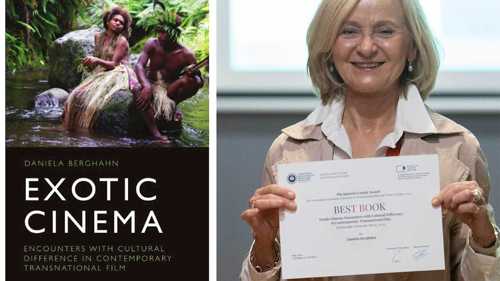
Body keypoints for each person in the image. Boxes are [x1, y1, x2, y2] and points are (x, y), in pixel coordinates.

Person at [240, 0, 499, 280]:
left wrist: (483, 237)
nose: (366, 47)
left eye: (385, 32)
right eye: (349, 31)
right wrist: (265, 247)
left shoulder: (457, 148)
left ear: (412, 46)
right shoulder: (288, 151)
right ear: (329, 47)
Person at [63, 6, 139, 130]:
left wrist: (97, 60)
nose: (118, 23)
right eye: (115, 20)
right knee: (75, 95)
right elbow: (98, 57)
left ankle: (87, 125)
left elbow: (114, 64)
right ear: (108, 21)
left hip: (118, 71)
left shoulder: (122, 41)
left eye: (121, 23)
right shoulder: (98, 36)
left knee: (95, 98)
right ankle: (68, 125)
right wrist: (89, 63)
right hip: (102, 70)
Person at [134, 16, 204, 141]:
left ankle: (174, 105)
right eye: (158, 31)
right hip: (150, 82)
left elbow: (200, 81)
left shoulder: (186, 54)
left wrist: (192, 74)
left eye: (163, 32)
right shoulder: (152, 43)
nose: (159, 35)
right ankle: (155, 133)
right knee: (137, 88)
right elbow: (139, 65)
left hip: (169, 88)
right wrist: (146, 85)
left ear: (174, 34)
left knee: (189, 81)